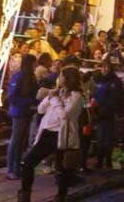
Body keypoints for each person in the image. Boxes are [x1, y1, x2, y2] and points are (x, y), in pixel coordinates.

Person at [18, 66, 84, 202]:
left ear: (68, 79)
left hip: (63, 136)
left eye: (61, 75)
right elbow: (41, 110)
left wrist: (55, 100)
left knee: (62, 169)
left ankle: (61, 197)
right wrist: (49, 97)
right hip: (47, 134)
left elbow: (65, 115)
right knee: (27, 163)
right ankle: (24, 196)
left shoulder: (77, 97)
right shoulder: (56, 93)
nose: (59, 78)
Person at [7, 54, 38, 180]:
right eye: (34, 63)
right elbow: (12, 97)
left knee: (21, 142)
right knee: (15, 141)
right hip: (19, 112)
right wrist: (28, 101)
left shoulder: (31, 76)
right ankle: (10, 169)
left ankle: (16, 167)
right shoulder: (18, 77)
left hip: (28, 112)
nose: (36, 65)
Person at [91, 58, 124, 169]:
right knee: (100, 138)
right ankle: (100, 161)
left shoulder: (116, 82)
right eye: (103, 67)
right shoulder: (96, 80)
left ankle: (108, 161)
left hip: (110, 114)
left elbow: (119, 99)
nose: (105, 69)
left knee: (109, 139)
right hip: (99, 114)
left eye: (107, 67)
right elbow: (92, 95)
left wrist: (118, 112)